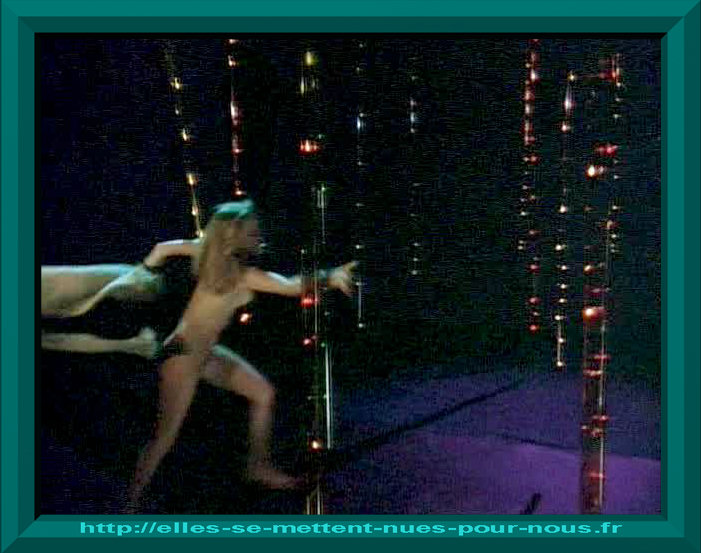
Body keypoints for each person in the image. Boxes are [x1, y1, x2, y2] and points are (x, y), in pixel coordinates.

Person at [126, 199, 356, 511]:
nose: (258, 237)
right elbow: (290, 286)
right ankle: (127, 508)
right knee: (163, 438)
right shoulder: (237, 272)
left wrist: (146, 268)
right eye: (252, 232)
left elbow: (161, 249)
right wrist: (330, 276)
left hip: (204, 353)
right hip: (183, 356)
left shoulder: (207, 253)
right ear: (234, 235)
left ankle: (258, 467)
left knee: (262, 393)